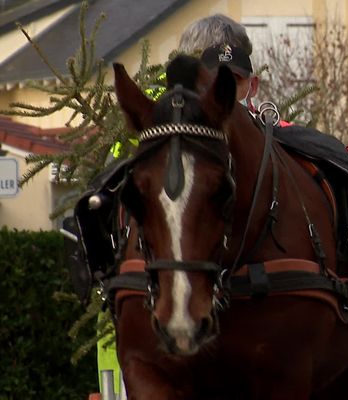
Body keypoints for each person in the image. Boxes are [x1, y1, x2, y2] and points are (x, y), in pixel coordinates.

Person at [97, 13, 264, 394]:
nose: (216, 93)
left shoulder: (278, 150)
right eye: (203, 79)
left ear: (251, 85)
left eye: (230, 81)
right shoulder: (145, 150)